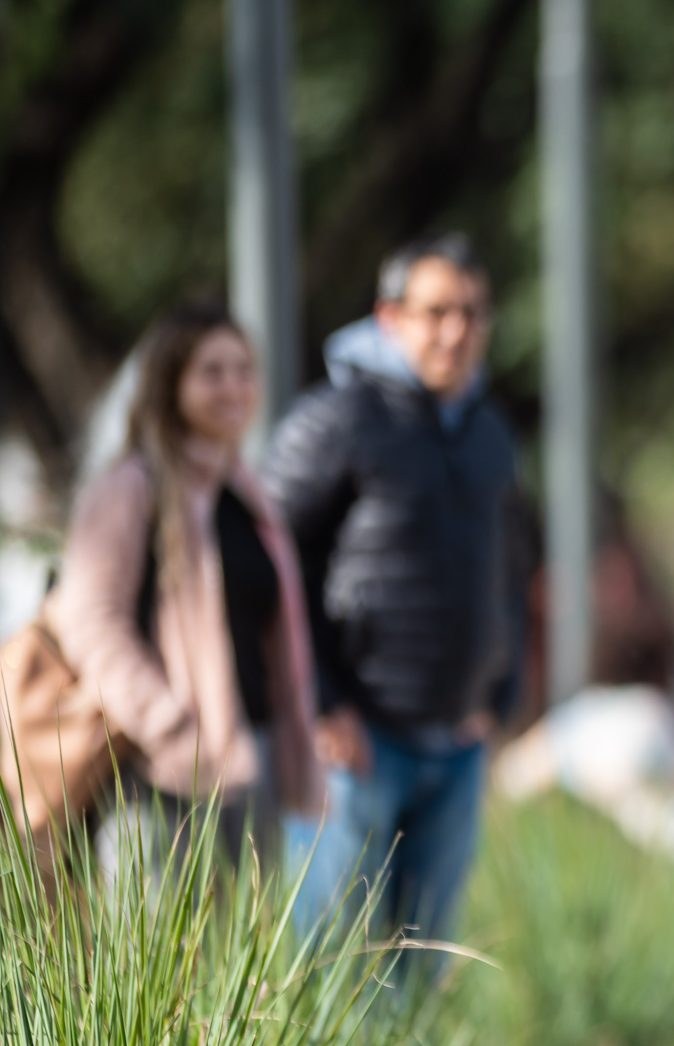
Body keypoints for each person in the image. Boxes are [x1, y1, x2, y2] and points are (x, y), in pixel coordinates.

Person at [268, 233, 525, 949]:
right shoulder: (337, 418)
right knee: (321, 971)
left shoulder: (490, 433)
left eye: (473, 313)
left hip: (457, 744)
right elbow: (272, 567)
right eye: (436, 310)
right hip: (357, 744)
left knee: (418, 969)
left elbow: (511, 571)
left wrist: (498, 697)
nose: (456, 331)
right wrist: (320, 702)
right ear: (389, 315)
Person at [49, 303, 321, 876]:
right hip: (155, 772)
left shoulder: (247, 495)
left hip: (252, 762)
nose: (234, 388)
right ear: (169, 382)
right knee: (160, 958)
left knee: (244, 961)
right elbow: (89, 621)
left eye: (244, 370)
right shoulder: (129, 487)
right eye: (212, 372)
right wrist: (168, 722)